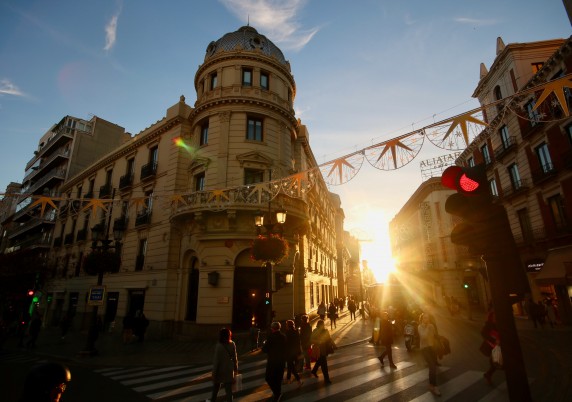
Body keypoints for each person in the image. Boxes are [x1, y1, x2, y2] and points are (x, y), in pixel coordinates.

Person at [210, 327, 238, 402]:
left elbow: (216, 361)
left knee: (215, 389)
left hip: (220, 370)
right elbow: (235, 358)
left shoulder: (219, 346)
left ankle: (213, 401)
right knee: (229, 391)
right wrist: (235, 369)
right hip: (229, 370)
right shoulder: (232, 344)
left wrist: (214, 373)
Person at [262, 321, 287, 401]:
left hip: (272, 361)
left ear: (272, 328)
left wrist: (265, 345)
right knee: (278, 378)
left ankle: (277, 393)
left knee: (268, 378)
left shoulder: (271, 337)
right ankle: (278, 393)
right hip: (281, 360)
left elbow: (264, 349)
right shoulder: (283, 336)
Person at [417, 313, 441, 396]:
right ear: (421, 319)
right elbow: (424, 336)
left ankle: (431, 385)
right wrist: (427, 326)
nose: (426, 319)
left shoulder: (431, 326)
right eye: (424, 318)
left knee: (433, 367)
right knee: (432, 366)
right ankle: (434, 386)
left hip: (432, 348)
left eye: (427, 318)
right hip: (424, 349)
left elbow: (434, 335)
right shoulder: (420, 327)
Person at [310, 319, 334, 384]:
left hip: (324, 349)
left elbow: (329, 339)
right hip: (319, 349)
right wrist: (318, 341)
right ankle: (327, 379)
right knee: (324, 365)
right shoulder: (315, 331)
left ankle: (314, 371)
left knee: (320, 361)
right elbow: (311, 340)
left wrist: (333, 345)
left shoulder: (325, 331)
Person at [481, 311, 500, 386]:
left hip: (498, 346)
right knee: (496, 362)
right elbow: (483, 333)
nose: (495, 318)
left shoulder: (498, 324)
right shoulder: (488, 325)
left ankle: (488, 374)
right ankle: (488, 374)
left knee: (496, 362)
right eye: (494, 317)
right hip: (492, 347)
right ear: (491, 318)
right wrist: (493, 340)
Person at [284, 319, 303, 387]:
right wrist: (299, 352)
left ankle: (299, 380)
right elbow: (298, 342)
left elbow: (286, 343)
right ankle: (288, 379)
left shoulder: (287, 333)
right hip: (295, 352)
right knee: (290, 365)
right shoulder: (296, 331)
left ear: (288, 325)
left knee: (291, 366)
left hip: (289, 352)